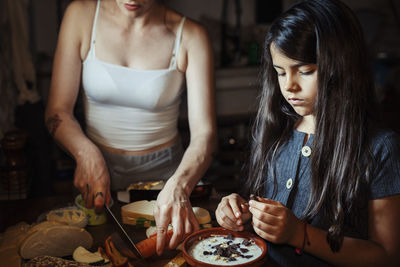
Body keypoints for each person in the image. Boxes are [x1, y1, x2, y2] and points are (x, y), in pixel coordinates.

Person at [215, 0, 400, 266]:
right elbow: (260, 206)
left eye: (305, 71)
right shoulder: (276, 131)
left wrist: (299, 234)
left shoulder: (381, 148)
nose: (289, 85)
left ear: (342, 68)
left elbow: (387, 257)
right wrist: (241, 212)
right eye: (280, 72)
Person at [45, 0, 217, 255]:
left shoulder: (191, 35)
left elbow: (205, 134)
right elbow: (57, 112)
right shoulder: (80, 16)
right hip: (97, 173)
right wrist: (85, 153)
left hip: (167, 178)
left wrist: (180, 184)